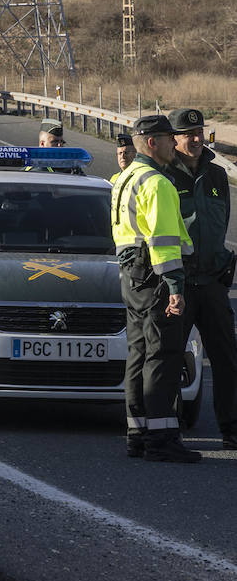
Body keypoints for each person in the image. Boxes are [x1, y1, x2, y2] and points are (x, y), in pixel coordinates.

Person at [112, 114, 198, 463]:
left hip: (132, 276)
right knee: (162, 355)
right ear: (152, 143)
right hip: (156, 278)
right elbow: (163, 241)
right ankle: (161, 439)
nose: (173, 144)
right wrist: (175, 286)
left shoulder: (124, 178)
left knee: (138, 354)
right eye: (167, 139)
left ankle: (138, 432)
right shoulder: (157, 183)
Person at [166, 108, 237, 449]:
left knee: (226, 357)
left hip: (211, 282)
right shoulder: (164, 175)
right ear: (174, 138)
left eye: (199, 132)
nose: (195, 139)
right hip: (176, 283)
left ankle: (232, 428)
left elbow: (220, 224)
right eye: (187, 134)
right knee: (168, 357)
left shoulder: (216, 175)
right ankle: (164, 429)